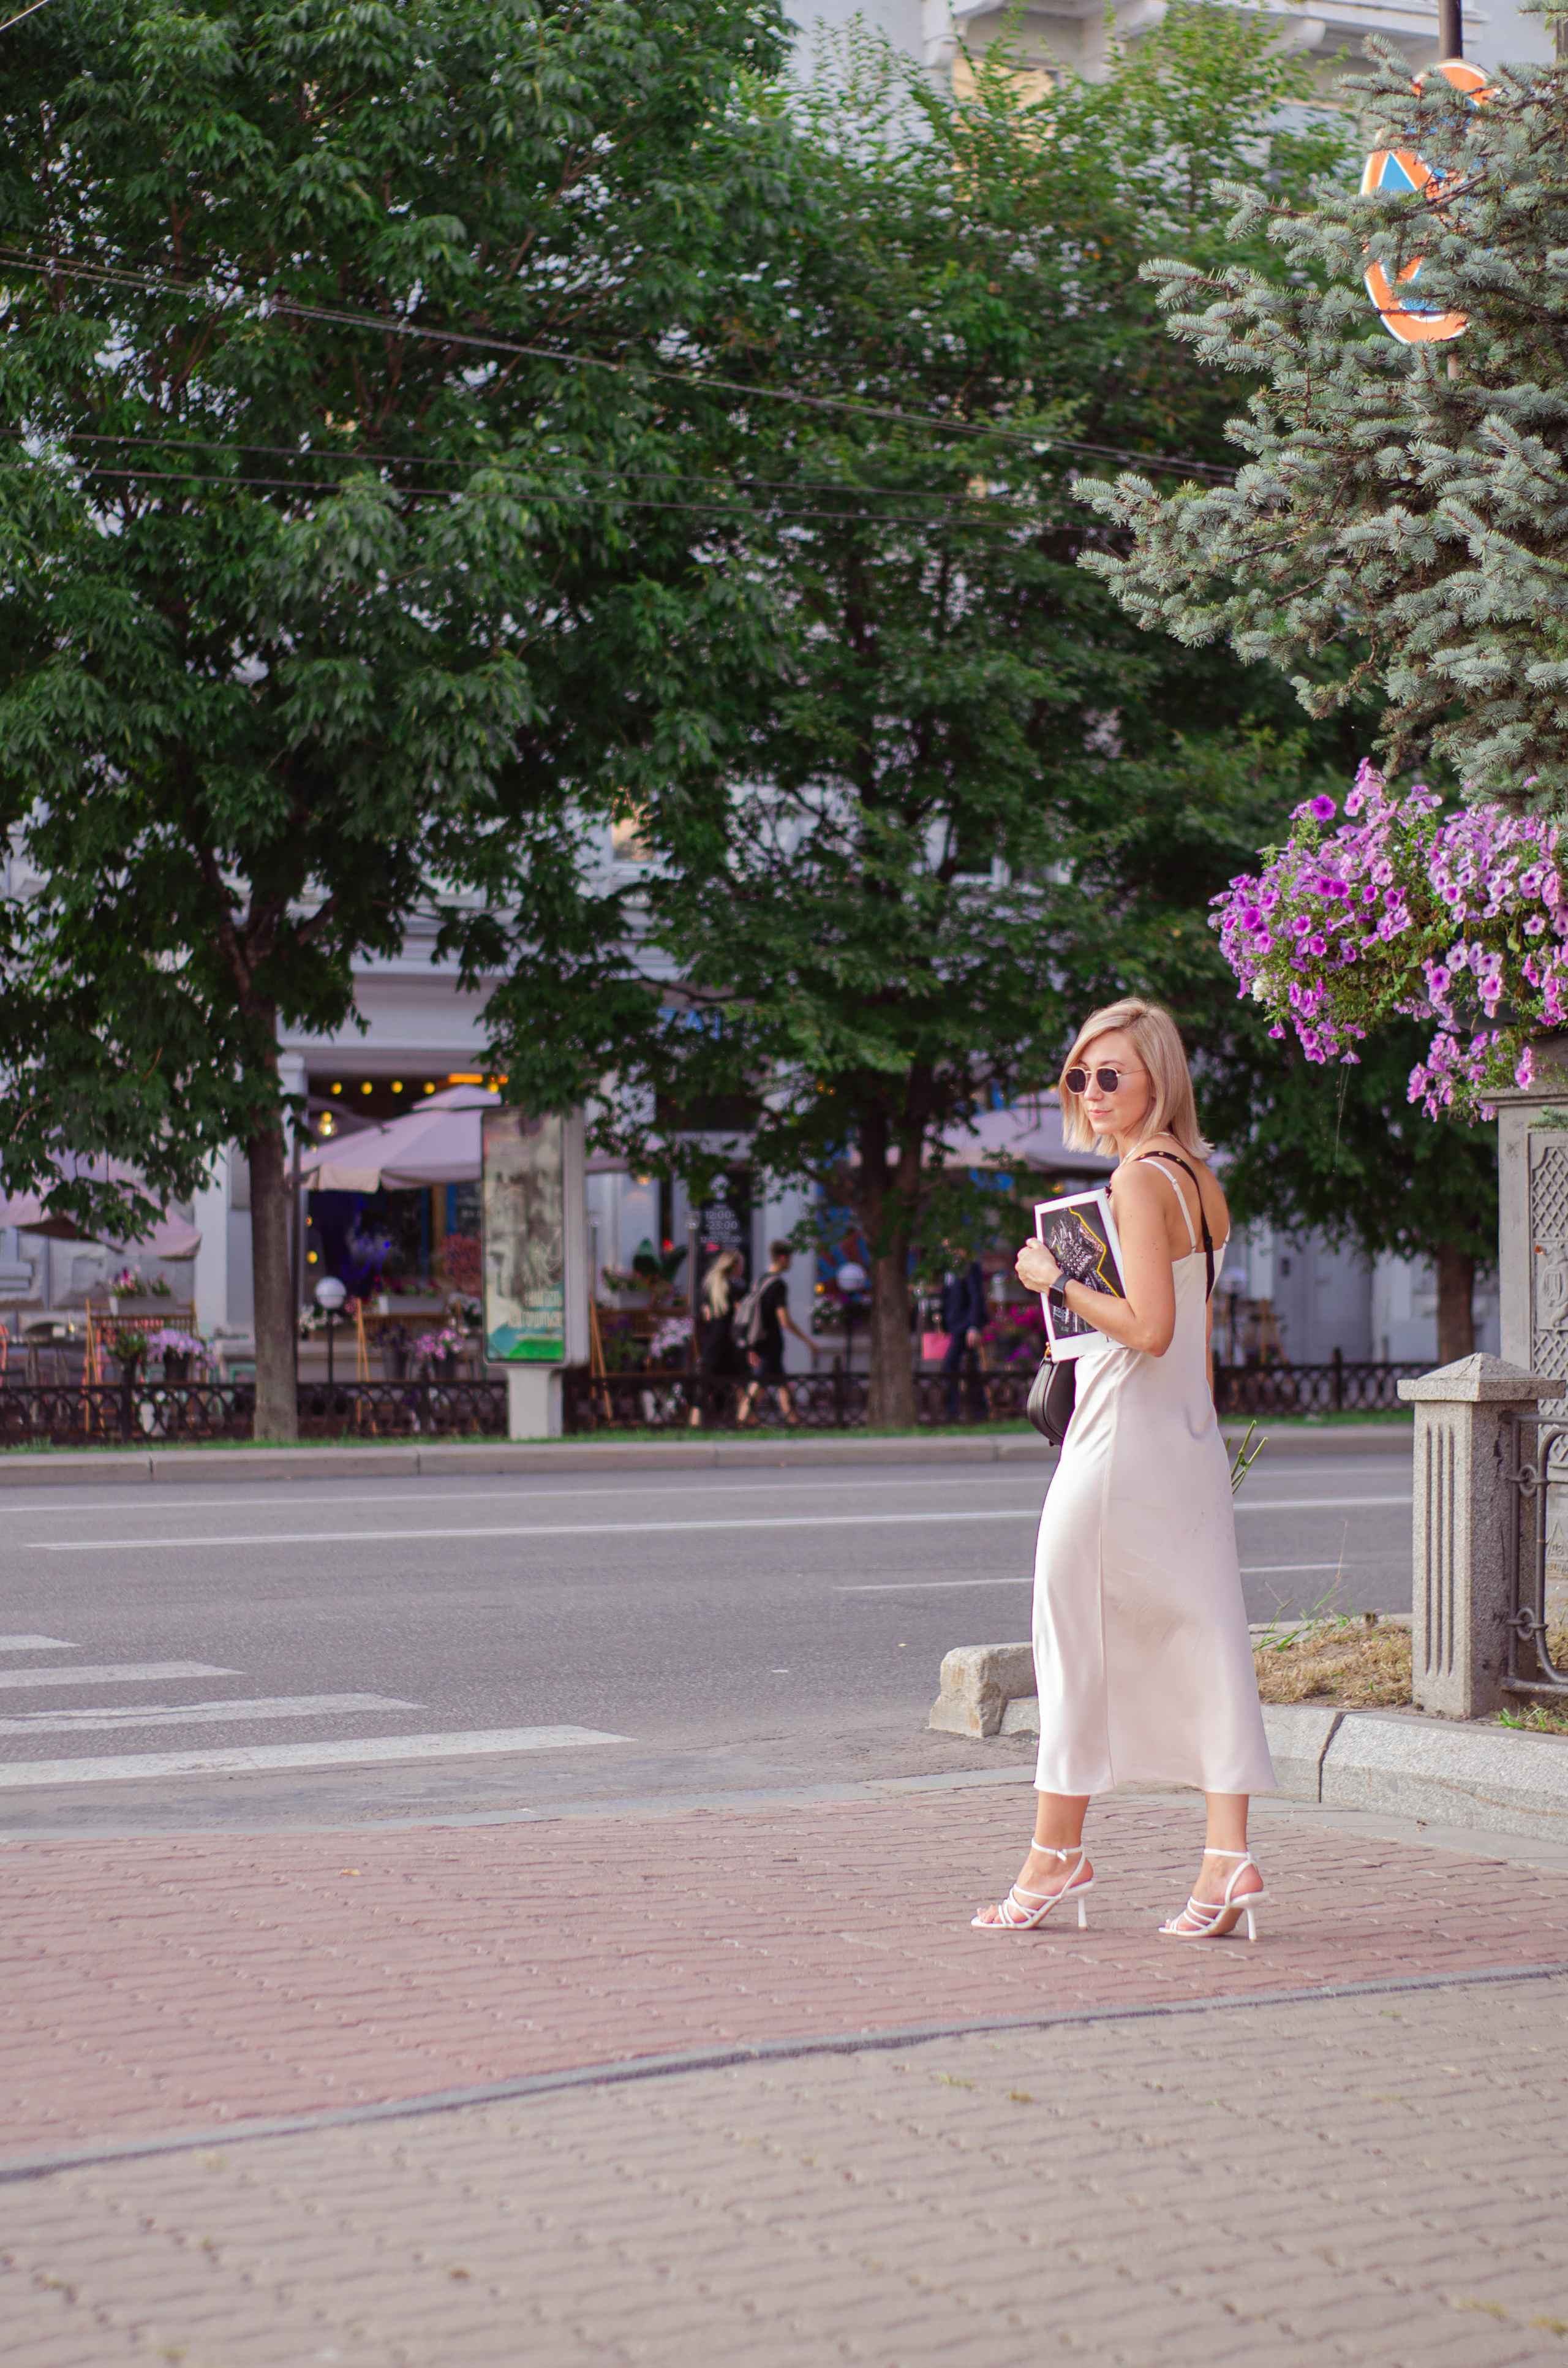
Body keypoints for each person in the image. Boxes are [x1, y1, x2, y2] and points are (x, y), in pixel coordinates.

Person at [973, 997, 1275, 1942]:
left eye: (1112, 1076)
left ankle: (1054, 1856)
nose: (1092, 1093)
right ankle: (1227, 1857)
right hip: (1185, 1437)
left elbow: (1150, 1329)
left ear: (1159, 1081)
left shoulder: (1140, 1182)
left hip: (1117, 1446)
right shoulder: (1200, 1179)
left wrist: (1054, 1281)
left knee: (1069, 1638)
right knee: (1207, 1635)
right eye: (1079, 1076)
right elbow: (1191, 1337)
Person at [738, 1241, 813, 1426]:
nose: (791, 1263)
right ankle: (740, 1421)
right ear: (782, 1258)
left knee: (783, 1385)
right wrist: (806, 1339)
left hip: (760, 1339)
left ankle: (793, 1420)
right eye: (790, 1259)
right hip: (770, 1342)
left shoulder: (761, 1280)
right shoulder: (778, 1285)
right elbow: (784, 1320)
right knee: (758, 1385)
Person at [690, 1249, 747, 1427]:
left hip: (712, 1344)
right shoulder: (733, 1289)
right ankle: (744, 1421)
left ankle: (695, 1425)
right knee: (741, 1382)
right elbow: (741, 1316)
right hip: (728, 1344)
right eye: (741, 1264)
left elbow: (705, 1317)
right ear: (733, 1266)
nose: (743, 1268)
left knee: (704, 1387)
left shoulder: (709, 1287)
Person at [938, 1252, 989, 1422]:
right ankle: (980, 1409)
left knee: (951, 1365)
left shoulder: (968, 1265)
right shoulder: (949, 1266)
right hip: (955, 1325)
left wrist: (974, 1326)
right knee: (971, 1367)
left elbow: (976, 1296)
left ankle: (953, 1409)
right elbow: (947, 1296)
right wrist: (944, 1323)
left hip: (965, 1326)